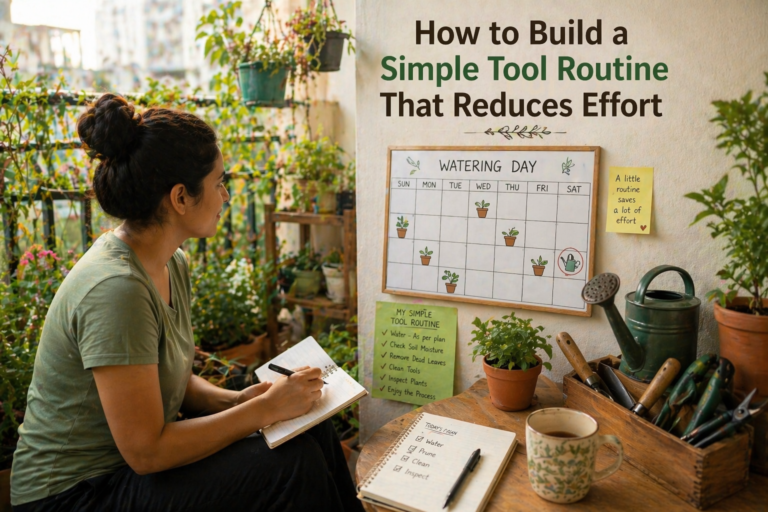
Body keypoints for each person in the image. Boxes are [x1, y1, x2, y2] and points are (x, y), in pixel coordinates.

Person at [10, 94, 364, 512]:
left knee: (309, 427)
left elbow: (167, 377)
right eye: (218, 183)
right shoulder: (116, 289)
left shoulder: (168, 262)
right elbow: (146, 453)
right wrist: (263, 409)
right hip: (75, 495)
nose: (225, 196)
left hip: (125, 472)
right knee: (290, 464)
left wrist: (242, 400)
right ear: (180, 198)